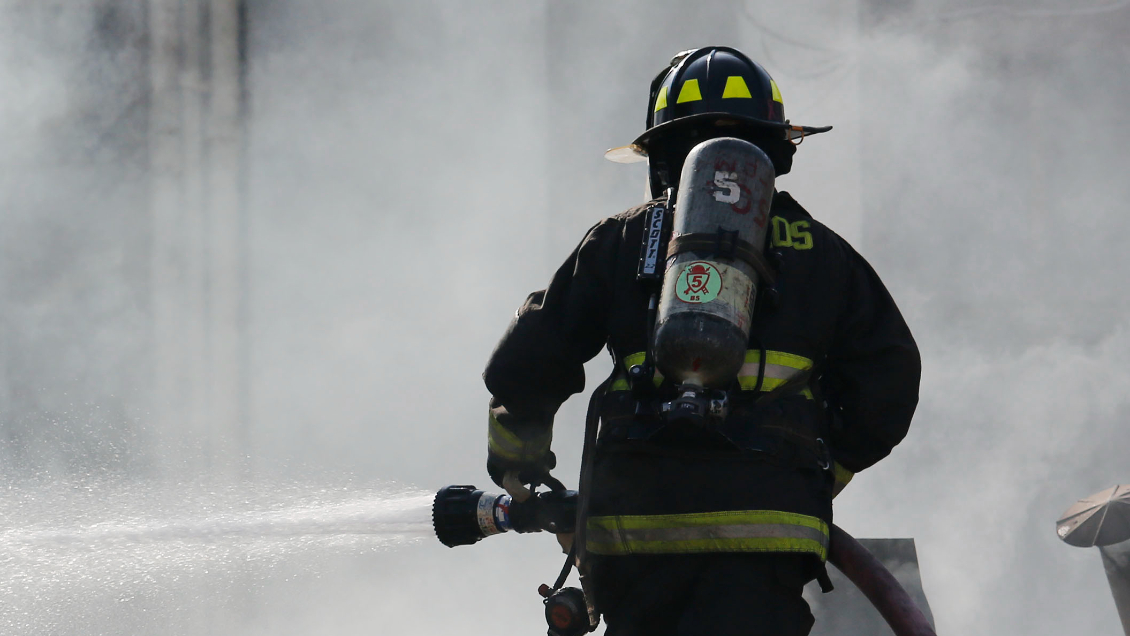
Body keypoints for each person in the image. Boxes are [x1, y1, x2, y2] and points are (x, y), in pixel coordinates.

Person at [482, 46, 921, 636]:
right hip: (769, 539)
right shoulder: (822, 253)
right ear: (775, 150)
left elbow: (527, 362)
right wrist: (821, 468)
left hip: (635, 535)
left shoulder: (622, 241)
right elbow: (888, 384)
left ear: (661, 155)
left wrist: (520, 466)